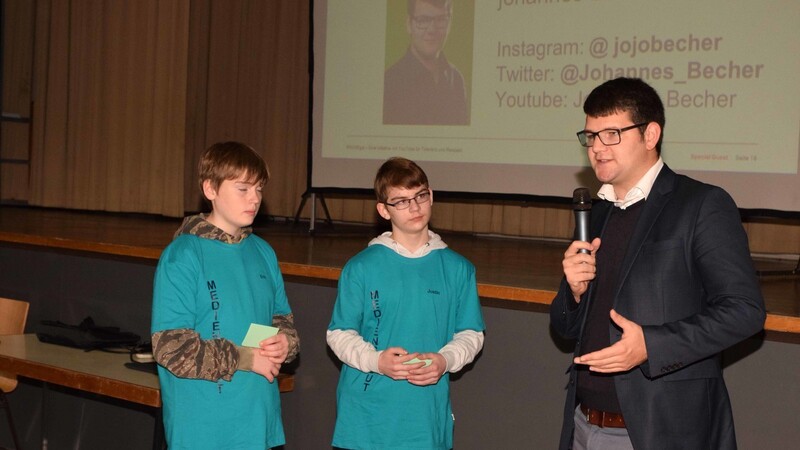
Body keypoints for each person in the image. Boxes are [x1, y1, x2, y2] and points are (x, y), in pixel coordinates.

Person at [550, 78, 766, 450]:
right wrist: (573, 291)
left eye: (612, 134)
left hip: (659, 430)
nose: (598, 148)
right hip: (584, 423)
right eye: (591, 136)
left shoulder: (701, 204)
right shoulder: (595, 213)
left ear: (651, 134)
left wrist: (652, 345)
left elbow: (745, 311)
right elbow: (564, 328)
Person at [327, 157, 485, 449]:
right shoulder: (361, 266)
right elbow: (338, 334)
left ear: (431, 196)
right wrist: (376, 360)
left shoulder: (458, 268)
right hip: (367, 415)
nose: (414, 207)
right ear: (383, 210)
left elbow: (471, 334)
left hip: (424, 415)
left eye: (420, 196)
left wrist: (444, 360)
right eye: (400, 201)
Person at [151, 141, 300, 449]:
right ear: (210, 189)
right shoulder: (183, 254)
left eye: (259, 189)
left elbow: (281, 320)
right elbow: (170, 348)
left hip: (258, 416)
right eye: (243, 189)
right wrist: (247, 358)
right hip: (204, 423)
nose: (255, 199)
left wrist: (285, 343)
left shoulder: (263, 252)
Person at [383, 0, 469, 125]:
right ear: (409, 24)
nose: (432, 29)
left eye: (440, 19)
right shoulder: (389, 84)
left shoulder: (456, 80)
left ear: (449, 23)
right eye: (423, 20)